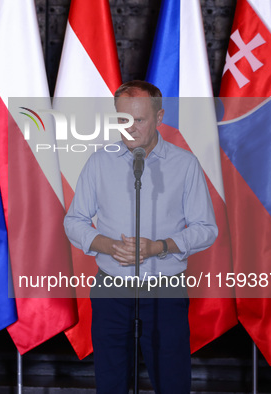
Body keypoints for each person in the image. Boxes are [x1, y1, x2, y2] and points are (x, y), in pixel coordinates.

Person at [64, 81, 218, 394]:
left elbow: (206, 228)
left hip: (165, 292)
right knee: (112, 384)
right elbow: (74, 221)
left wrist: (160, 247)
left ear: (160, 117)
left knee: (172, 383)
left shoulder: (185, 165)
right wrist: (108, 246)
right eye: (123, 120)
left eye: (140, 120)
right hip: (111, 290)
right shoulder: (99, 162)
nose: (130, 129)